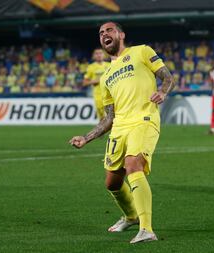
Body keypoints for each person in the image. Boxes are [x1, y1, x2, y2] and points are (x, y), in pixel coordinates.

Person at [69, 21, 174, 243]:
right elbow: (109, 116)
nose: (104, 34)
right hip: (119, 127)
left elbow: (167, 77)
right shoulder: (106, 76)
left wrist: (163, 92)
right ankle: (131, 216)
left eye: (109, 30)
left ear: (121, 34)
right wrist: (86, 138)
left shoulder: (142, 51)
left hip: (143, 119)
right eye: (100, 33)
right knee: (112, 183)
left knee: (133, 165)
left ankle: (147, 229)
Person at [83, 48, 110, 120]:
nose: (99, 55)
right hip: (98, 96)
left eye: (100, 53)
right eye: (96, 53)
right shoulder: (91, 67)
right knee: (102, 119)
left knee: (112, 116)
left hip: (110, 94)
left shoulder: (110, 65)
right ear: (94, 56)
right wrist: (94, 81)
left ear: (104, 55)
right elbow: (85, 83)